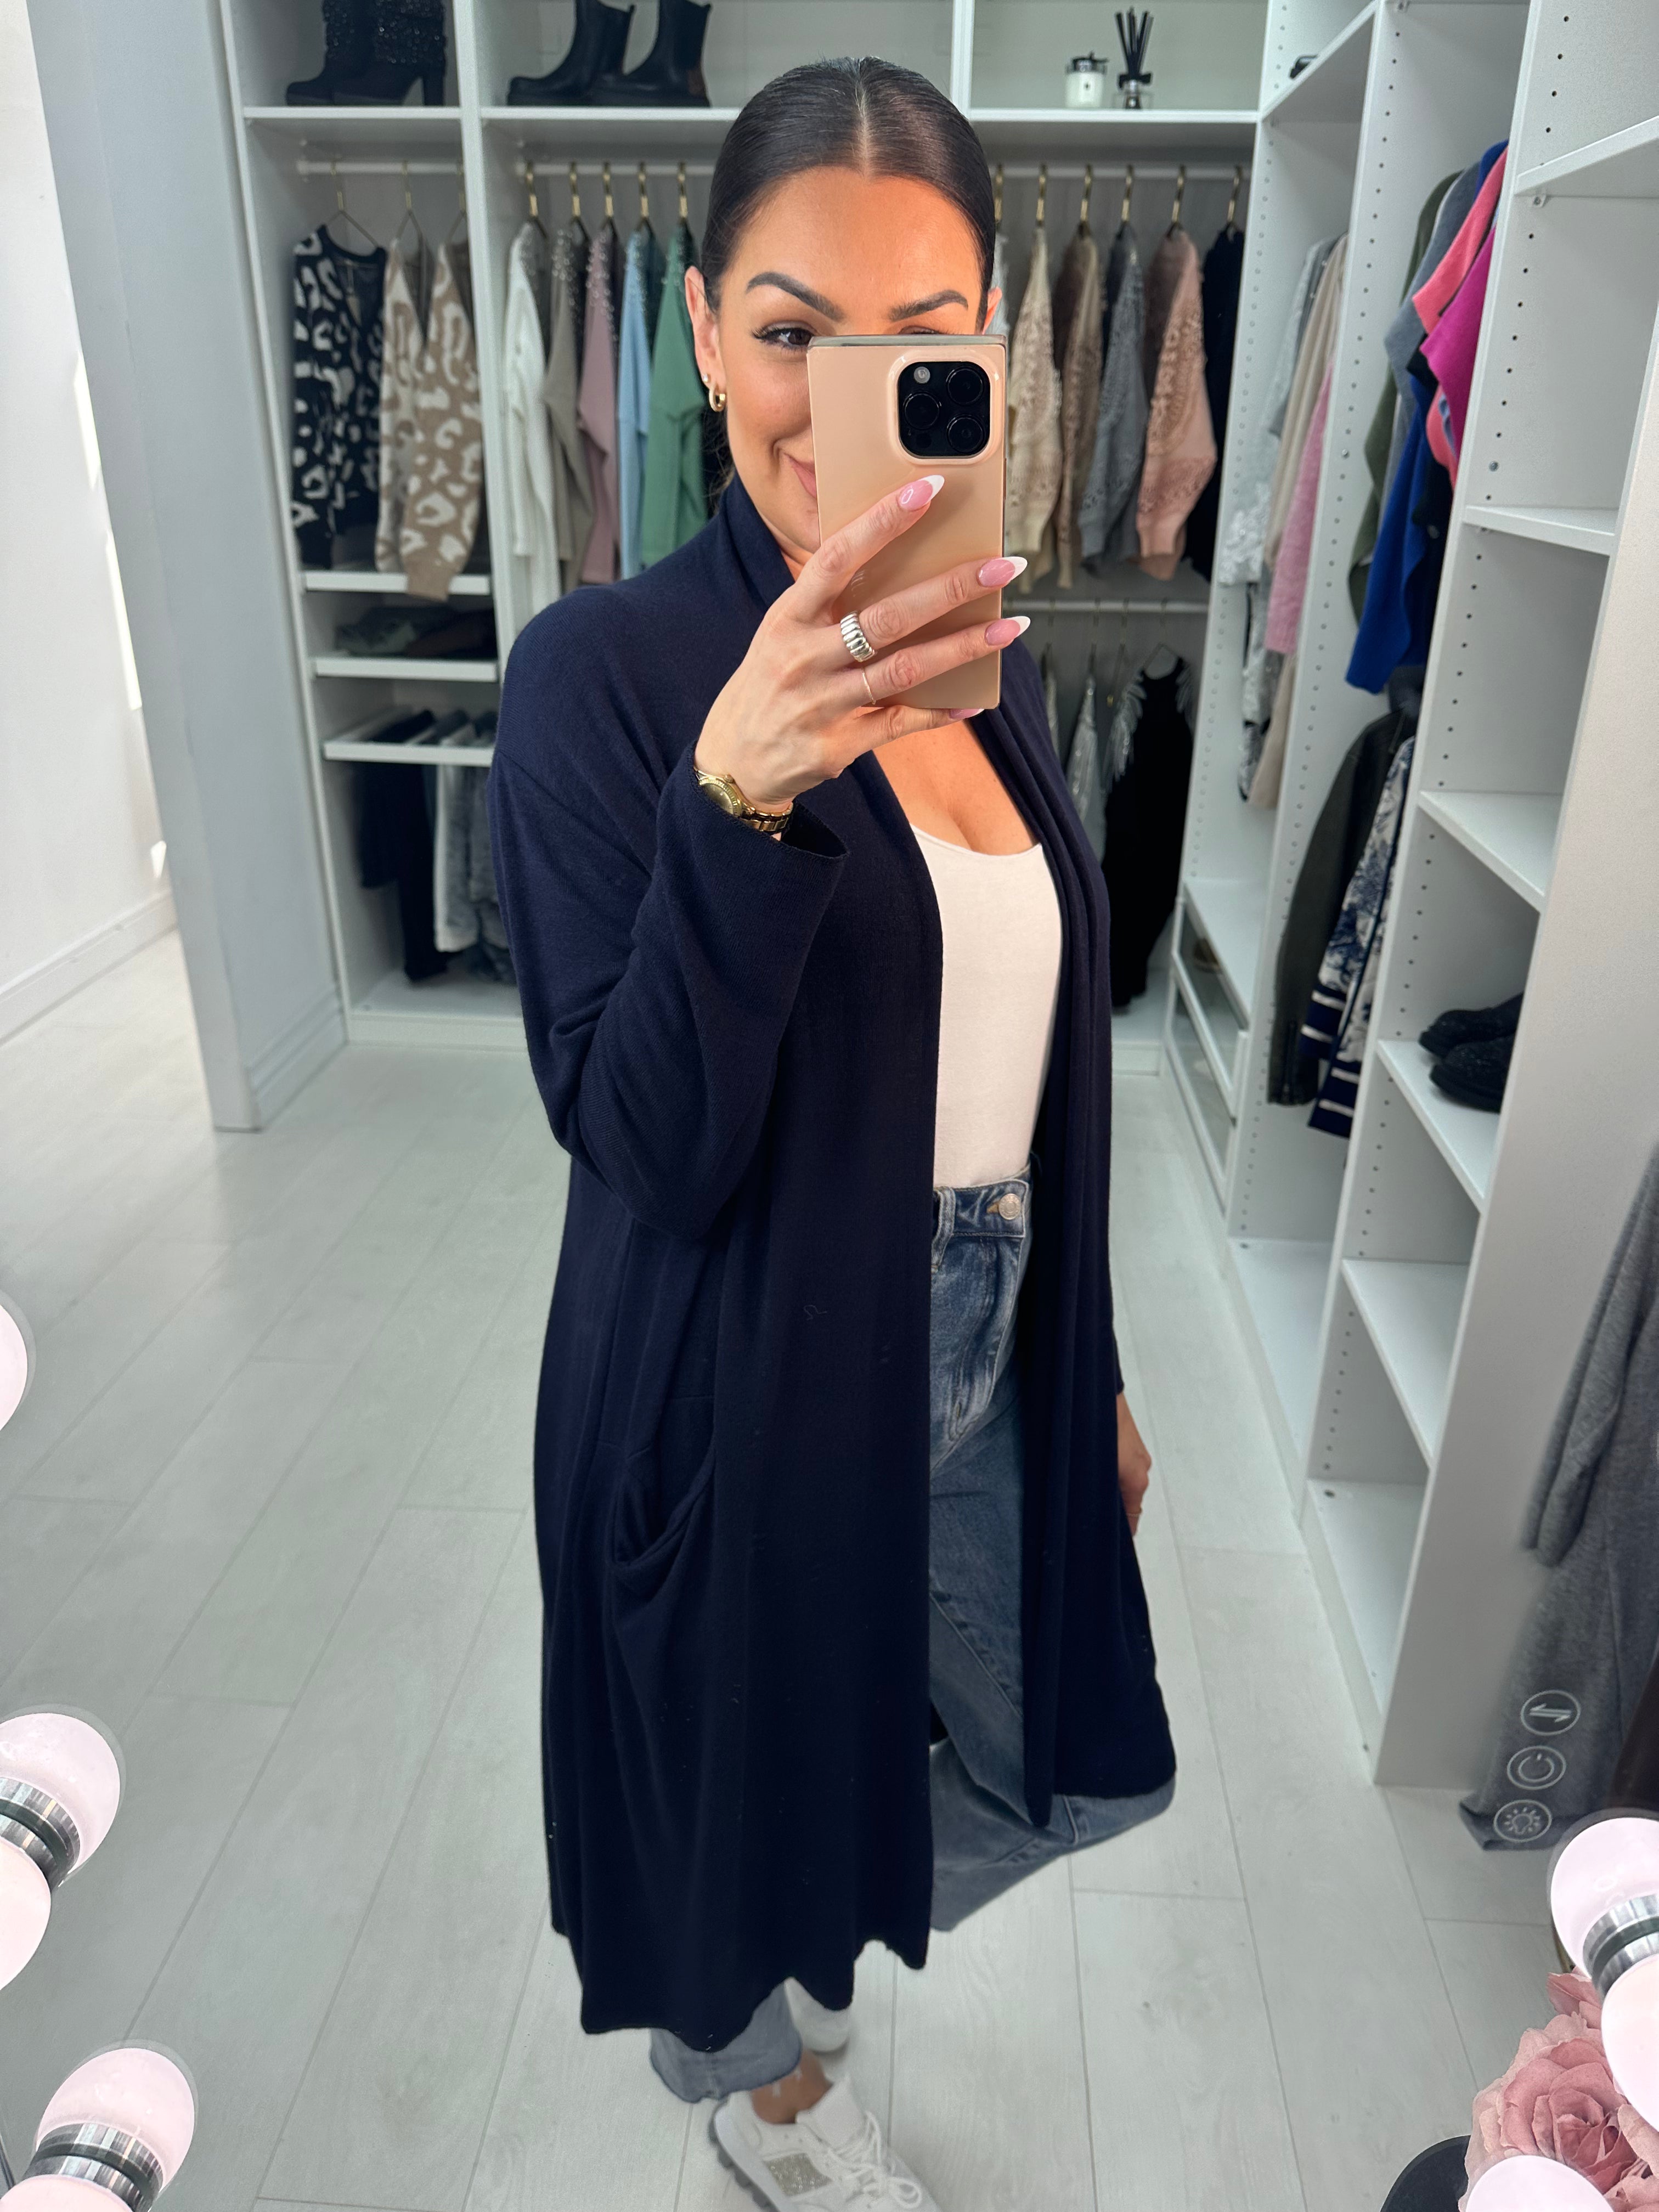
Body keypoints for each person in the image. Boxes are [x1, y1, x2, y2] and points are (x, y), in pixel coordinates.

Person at [489, 58, 1176, 2212]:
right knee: (722, 1804)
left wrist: (1089, 1357)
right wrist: (741, 799)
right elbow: (639, 1140)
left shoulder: (995, 657)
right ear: (702, 331)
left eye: (922, 335)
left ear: (986, 348)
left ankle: (788, 1947)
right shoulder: (601, 676)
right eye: (793, 329)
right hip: (736, 1364)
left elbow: (1035, 1046)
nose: (841, 401)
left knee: (1056, 1759)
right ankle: (756, 2086)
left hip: (982, 1332)